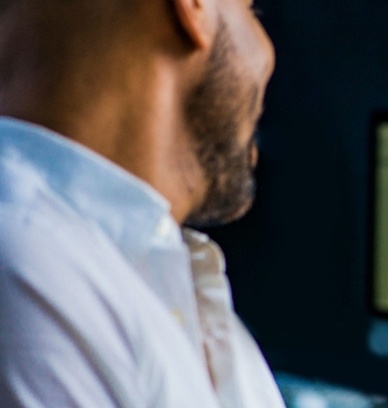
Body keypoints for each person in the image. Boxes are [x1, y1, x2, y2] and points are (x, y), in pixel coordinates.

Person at [0, 0, 279, 406]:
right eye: (251, 10)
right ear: (192, 8)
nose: (267, 51)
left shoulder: (166, 280)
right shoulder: (30, 274)